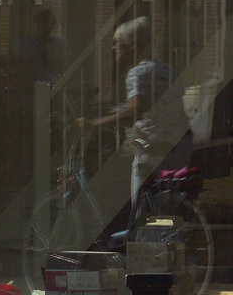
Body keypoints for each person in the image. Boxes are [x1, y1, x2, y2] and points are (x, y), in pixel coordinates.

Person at [79, 16, 192, 207]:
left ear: (134, 46)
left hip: (153, 149)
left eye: (118, 43)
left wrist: (93, 124)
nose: (113, 48)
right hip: (181, 146)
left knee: (140, 211)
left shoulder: (136, 73)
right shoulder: (169, 70)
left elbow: (135, 110)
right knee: (169, 206)